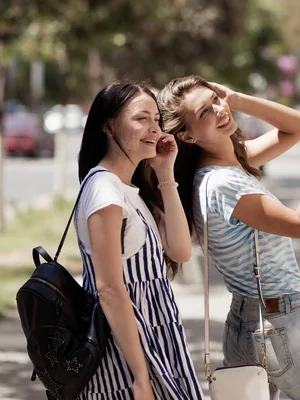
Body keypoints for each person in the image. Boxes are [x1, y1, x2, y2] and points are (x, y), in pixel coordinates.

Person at [158, 75, 300, 400]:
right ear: (186, 135)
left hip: (248, 322)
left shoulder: (226, 167)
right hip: (280, 323)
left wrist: (236, 98)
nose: (219, 111)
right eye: (205, 113)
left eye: (216, 100)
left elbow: (298, 127)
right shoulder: (224, 184)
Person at [75, 81, 203, 400]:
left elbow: (180, 251)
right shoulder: (105, 192)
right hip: (125, 357)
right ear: (108, 126)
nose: (154, 129)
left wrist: (165, 174)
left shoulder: (127, 190)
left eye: (156, 120)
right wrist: (140, 377)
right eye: (140, 118)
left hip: (153, 344)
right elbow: (109, 288)